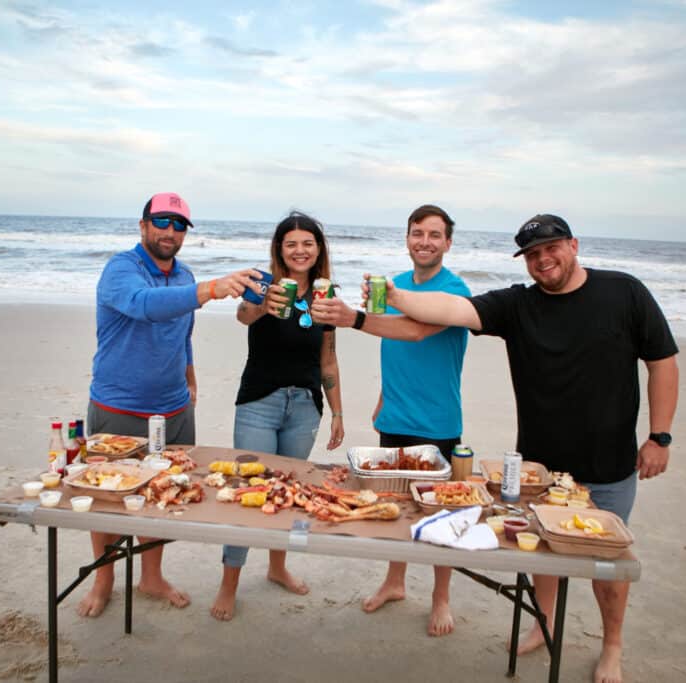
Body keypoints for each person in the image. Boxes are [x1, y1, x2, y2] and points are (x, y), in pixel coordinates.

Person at [370, 214, 679, 683]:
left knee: (607, 566)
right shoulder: (519, 305)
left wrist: (659, 436)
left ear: (574, 245)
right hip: (539, 464)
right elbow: (456, 311)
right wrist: (393, 298)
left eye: (551, 248)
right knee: (542, 554)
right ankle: (545, 623)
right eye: (533, 254)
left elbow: (662, 362)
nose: (543, 260)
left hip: (608, 461)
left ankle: (611, 647)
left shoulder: (625, 292)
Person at [78, 191, 261, 618]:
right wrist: (210, 289)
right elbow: (144, 307)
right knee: (109, 497)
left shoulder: (185, 276)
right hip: (118, 407)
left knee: (165, 495)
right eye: (162, 221)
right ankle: (104, 579)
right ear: (143, 226)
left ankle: (151, 576)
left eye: (179, 225)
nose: (170, 232)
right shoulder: (120, 269)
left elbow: (182, 332)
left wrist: (190, 375)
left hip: (173, 409)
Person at [311, 204, 470, 636]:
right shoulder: (395, 284)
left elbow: (416, 330)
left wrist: (354, 318)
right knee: (396, 507)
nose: (425, 241)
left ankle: (440, 598)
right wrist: (384, 397)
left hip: (438, 423)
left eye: (435, 235)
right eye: (417, 233)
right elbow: (397, 347)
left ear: (448, 243)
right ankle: (395, 582)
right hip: (396, 416)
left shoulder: (456, 291)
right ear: (407, 238)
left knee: (440, 513)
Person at [210, 211, 345, 622]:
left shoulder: (325, 295)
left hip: (305, 407)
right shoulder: (262, 284)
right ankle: (229, 583)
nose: (300, 250)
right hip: (259, 402)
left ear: (318, 249)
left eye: (308, 243)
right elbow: (243, 317)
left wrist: (338, 412)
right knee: (249, 491)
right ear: (280, 249)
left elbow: (329, 357)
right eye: (292, 244)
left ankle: (277, 567)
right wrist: (263, 305)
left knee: (287, 492)